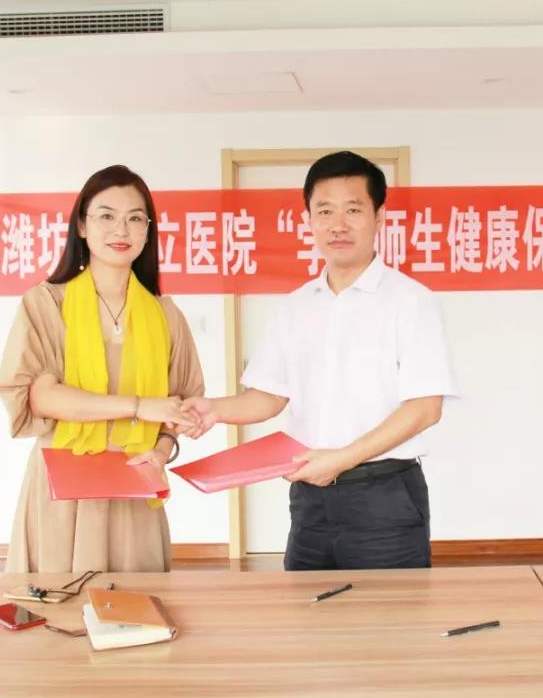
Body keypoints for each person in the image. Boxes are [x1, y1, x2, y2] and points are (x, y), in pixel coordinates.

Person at [183, 151, 457, 570]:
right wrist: (213, 410)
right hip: (310, 499)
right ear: (308, 219)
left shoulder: (412, 301)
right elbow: (269, 397)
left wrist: (343, 459)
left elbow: (425, 408)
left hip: (384, 498)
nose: (338, 224)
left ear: (379, 217)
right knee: (306, 609)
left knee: (390, 612)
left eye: (353, 210)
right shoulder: (294, 307)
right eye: (325, 211)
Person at [0, 164, 204, 572]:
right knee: (58, 602)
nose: (121, 230)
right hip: (63, 488)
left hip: (134, 484)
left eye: (135, 219)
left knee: (135, 604)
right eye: (107, 216)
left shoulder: (166, 314)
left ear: (148, 231)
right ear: (82, 226)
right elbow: (43, 397)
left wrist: (161, 451)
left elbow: (178, 406)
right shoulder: (46, 303)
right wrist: (139, 406)